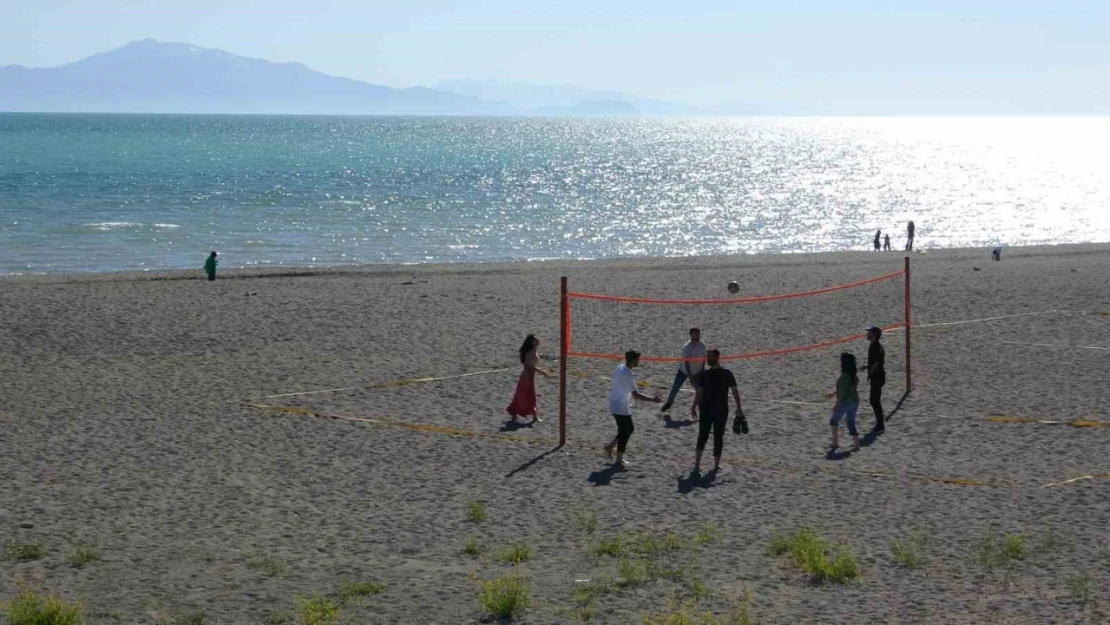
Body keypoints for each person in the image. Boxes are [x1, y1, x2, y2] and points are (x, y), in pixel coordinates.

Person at [605, 350, 663, 468]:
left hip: (616, 404)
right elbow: (636, 395)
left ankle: (610, 448)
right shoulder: (627, 374)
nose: (639, 361)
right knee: (626, 431)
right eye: (638, 359)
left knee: (627, 430)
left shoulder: (620, 367)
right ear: (633, 360)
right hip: (620, 407)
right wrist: (653, 400)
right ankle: (618, 459)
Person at [690, 349, 745, 474]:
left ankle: (716, 465)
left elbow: (735, 391)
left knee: (718, 437)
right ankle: (697, 464)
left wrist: (739, 407)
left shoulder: (727, 373)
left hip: (721, 410)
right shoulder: (704, 374)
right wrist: (693, 406)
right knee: (702, 436)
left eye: (710, 356)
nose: (708, 359)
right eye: (707, 357)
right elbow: (699, 391)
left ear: (717, 357)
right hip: (705, 409)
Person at [660, 328, 706, 413]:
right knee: (675, 388)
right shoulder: (686, 347)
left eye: (698, 334)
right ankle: (669, 403)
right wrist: (691, 377)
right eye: (696, 334)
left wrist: (702, 370)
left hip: (697, 372)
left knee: (699, 391)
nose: (698, 336)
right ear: (691, 335)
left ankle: (702, 409)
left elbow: (704, 359)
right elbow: (687, 363)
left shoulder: (702, 346)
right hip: (684, 371)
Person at [506, 334, 548, 423]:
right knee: (528, 396)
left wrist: (540, 372)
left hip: (528, 375)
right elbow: (528, 367)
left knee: (523, 396)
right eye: (536, 340)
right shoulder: (531, 352)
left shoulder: (532, 350)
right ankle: (533, 417)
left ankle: (517, 416)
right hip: (527, 376)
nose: (538, 341)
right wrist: (541, 372)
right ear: (532, 342)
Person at [828, 352, 861, 452]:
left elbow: (842, 393)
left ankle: (835, 443)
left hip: (845, 402)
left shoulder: (844, 377)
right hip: (854, 401)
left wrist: (837, 405)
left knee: (833, 421)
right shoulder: (853, 375)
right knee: (851, 422)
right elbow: (849, 388)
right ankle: (856, 445)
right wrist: (834, 393)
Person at [865, 326, 886, 433]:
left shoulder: (876, 347)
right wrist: (866, 367)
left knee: (874, 401)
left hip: (877, 377)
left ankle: (880, 425)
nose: (867, 334)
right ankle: (880, 423)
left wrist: (871, 369)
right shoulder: (874, 345)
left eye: (869, 332)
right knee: (874, 401)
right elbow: (875, 361)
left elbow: (877, 362)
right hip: (877, 376)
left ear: (874, 335)